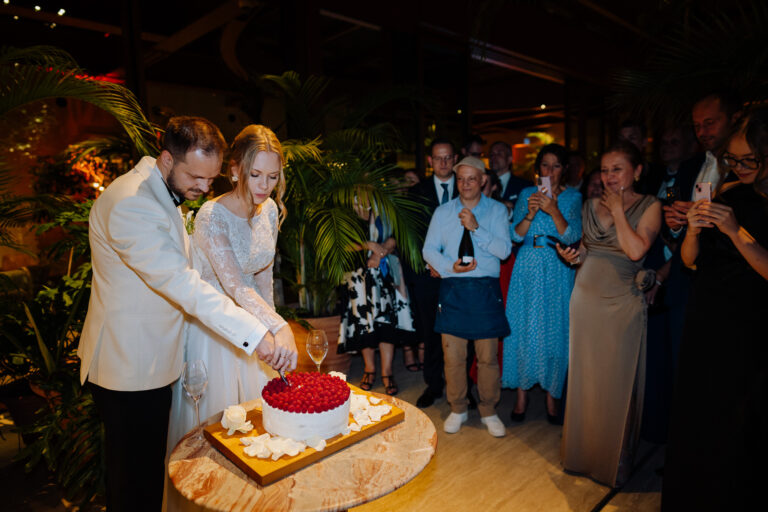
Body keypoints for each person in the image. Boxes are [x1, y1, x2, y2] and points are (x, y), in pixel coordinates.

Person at [78, 117, 297, 511]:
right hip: (130, 366)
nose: (203, 188)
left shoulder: (164, 192)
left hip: (160, 359)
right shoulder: (131, 203)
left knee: (153, 474)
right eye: (196, 177)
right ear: (167, 159)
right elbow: (184, 284)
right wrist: (259, 336)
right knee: (134, 486)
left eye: (210, 179)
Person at [662, 109, 768, 511]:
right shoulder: (727, 193)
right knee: (698, 414)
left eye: (748, 160)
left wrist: (735, 231)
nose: (738, 168)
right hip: (705, 318)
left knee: (738, 421)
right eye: (733, 160)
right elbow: (691, 262)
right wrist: (692, 229)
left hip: (748, 326)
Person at [167, 124, 290, 452]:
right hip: (216, 333)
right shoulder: (212, 216)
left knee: (265, 435)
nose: (265, 186)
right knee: (223, 438)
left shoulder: (271, 211)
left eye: (273, 176)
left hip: (255, 325)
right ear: (235, 171)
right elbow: (235, 286)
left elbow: (265, 278)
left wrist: (272, 329)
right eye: (256, 174)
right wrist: (279, 327)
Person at [558, 140, 662, 487]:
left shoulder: (650, 206)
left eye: (617, 168)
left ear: (637, 171)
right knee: (586, 382)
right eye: (604, 169)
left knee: (618, 383)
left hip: (621, 304)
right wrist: (575, 257)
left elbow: (635, 251)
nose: (609, 176)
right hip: (584, 301)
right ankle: (582, 455)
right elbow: (588, 250)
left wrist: (618, 210)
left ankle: (613, 461)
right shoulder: (589, 205)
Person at [423, 156, 512, 437]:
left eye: (472, 178)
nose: (465, 184)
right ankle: (458, 408)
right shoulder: (443, 212)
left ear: (483, 180)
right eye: (460, 178)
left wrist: (476, 227)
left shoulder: (497, 211)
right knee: (454, 359)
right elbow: (428, 250)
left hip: (485, 290)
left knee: (487, 359)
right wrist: (450, 268)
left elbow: (504, 251)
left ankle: (489, 410)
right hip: (453, 288)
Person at [502, 143, 582, 423]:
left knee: (555, 329)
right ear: (538, 170)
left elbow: (571, 235)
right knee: (524, 328)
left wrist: (554, 209)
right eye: (545, 166)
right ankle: (522, 396)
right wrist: (531, 213)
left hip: (558, 266)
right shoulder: (526, 193)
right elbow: (515, 234)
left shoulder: (573, 197)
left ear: (564, 170)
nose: (550, 171)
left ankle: (552, 397)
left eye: (556, 166)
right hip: (527, 264)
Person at [338, 194, 415, 396]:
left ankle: (387, 372)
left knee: (385, 323)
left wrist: (379, 252)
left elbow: (396, 237)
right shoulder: (345, 213)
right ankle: (369, 369)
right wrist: (368, 245)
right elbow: (340, 245)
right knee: (364, 324)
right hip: (357, 278)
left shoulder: (384, 209)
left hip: (384, 274)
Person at [405, 138, 459, 408]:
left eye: (448, 157)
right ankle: (433, 385)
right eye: (438, 158)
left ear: (455, 158)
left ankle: (462, 386)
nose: (443, 163)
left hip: (462, 274)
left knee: (462, 332)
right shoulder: (417, 192)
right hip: (428, 274)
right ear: (430, 162)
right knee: (431, 332)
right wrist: (431, 264)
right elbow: (411, 237)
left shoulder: (466, 188)